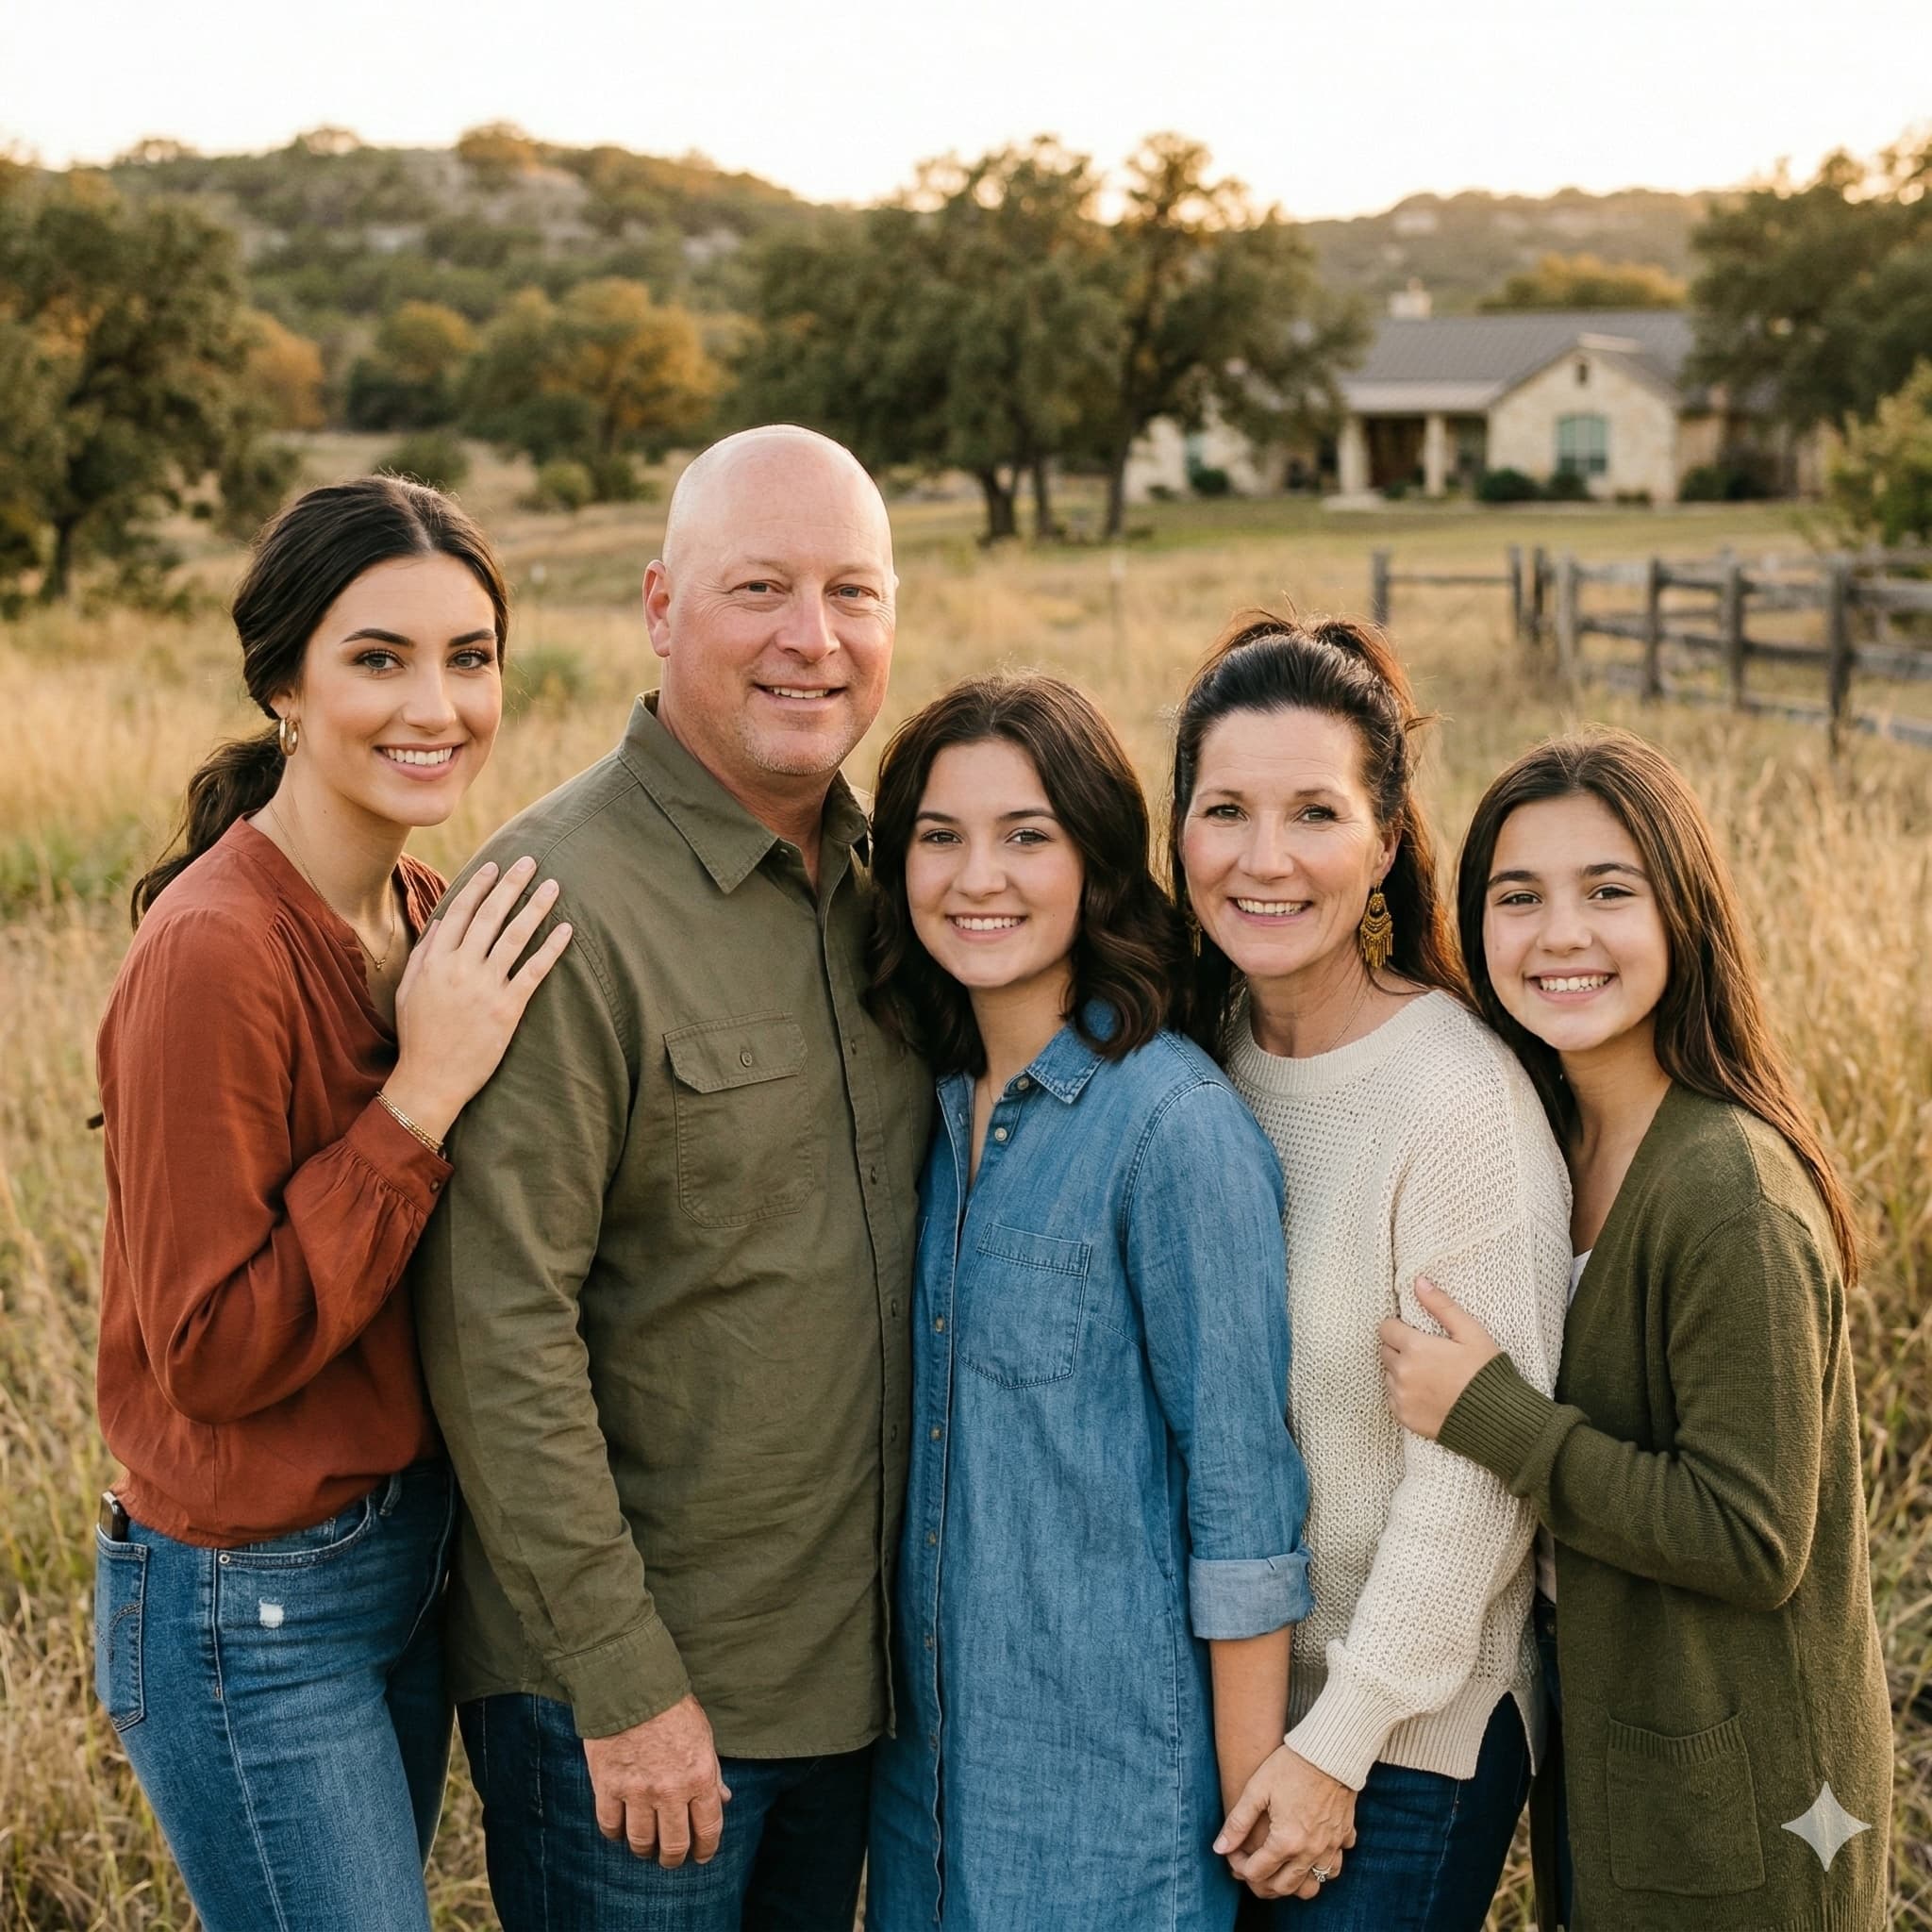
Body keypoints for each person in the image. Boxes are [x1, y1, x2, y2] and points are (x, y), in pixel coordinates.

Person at [410, 425, 933, 1932]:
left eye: (853, 591)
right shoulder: (552, 905)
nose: (811, 639)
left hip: (852, 1689)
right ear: (657, 606)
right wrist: (628, 1689)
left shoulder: (904, 886)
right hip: (636, 1714)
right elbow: (495, 1334)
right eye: (758, 586)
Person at [92, 476, 573, 1932]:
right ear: (284, 685)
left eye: (469, 657)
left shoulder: (430, 910)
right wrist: (417, 1099)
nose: (438, 704)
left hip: (404, 1562)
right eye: (380, 658)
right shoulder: (218, 953)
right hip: (254, 1604)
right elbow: (213, 1355)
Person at [1378, 728, 1893, 1932]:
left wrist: (1497, 1419)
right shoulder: (1547, 1145)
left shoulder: (1728, 1194)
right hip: (1620, 1756)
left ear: (1685, 911)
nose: (1561, 932)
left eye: (1608, 890)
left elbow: (1747, 1530)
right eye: (1518, 896)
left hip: (1752, 1805)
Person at [861, 674, 1318, 1931]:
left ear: (1097, 861)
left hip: (1117, 1825)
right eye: (939, 838)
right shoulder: (933, 1103)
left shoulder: (1171, 1128)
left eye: (1027, 836)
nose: (977, 878)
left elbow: (1241, 1498)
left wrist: (1243, 1805)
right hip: (931, 1807)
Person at [1170, 612, 1573, 1929]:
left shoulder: (1456, 1105)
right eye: (1225, 810)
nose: (1264, 859)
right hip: (1239, 1710)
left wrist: (1336, 1746)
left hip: (1407, 1732)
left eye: (1315, 814)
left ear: (1389, 842)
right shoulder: (1201, 1052)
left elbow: (1476, 1495)